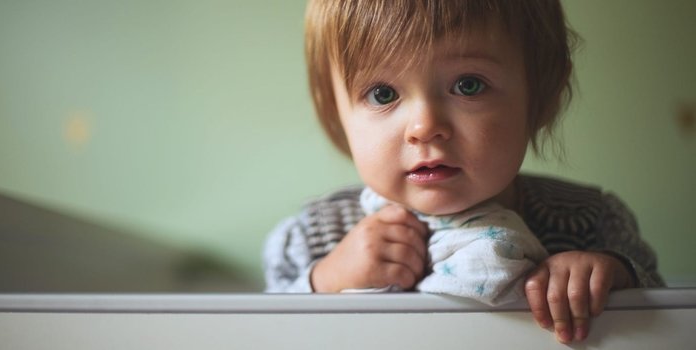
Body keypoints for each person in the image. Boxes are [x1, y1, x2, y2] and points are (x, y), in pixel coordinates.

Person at [263, 0, 664, 344]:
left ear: (541, 97)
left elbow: (668, 322)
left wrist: (613, 279)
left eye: (468, 85)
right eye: (382, 94)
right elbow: (263, 333)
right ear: (337, 115)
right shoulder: (314, 237)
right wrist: (323, 283)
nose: (424, 126)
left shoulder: (589, 221)